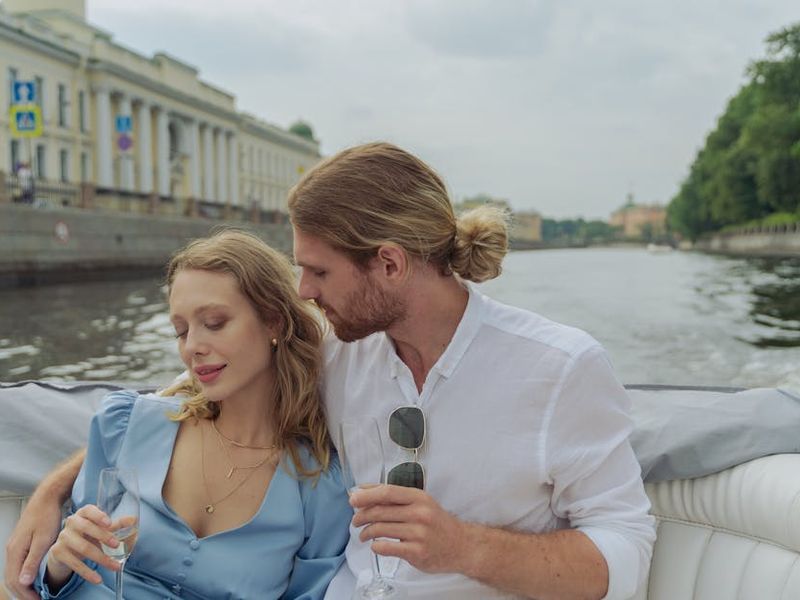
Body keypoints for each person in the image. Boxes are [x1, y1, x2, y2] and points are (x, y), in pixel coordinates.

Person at [6, 142, 655, 600]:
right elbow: (187, 396)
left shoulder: (560, 368)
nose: (304, 292)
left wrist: (465, 547)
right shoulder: (337, 350)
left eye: (318, 271)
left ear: (389, 264)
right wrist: (53, 491)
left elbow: (627, 549)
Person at [25, 230, 351, 599]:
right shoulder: (127, 425)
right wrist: (58, 566)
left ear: (273, 321)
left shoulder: (319, 485)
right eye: (181, 331)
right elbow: (64, 569)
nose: (192, 346)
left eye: (214, 323)